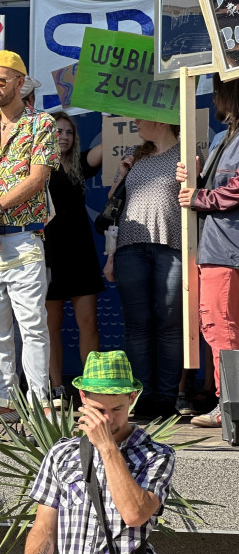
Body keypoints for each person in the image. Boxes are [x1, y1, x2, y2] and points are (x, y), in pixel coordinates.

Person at [20, 350, 175, 554]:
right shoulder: (61, 454)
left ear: (132, 397)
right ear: (82, 397)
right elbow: (44, 527)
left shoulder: (156, 455)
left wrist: (106, 448)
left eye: (117, 409)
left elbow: (135, 514)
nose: (107, 420)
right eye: (97, 410)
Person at [0, 51, 60, 423]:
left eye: (0, 81)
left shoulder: (43, 123)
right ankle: (6, 401)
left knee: (33, 326)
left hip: (24, 238)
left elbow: (38, 178)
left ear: (21, 82)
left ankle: (37, 403)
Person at [103, 120, 182, 419]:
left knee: (170, 326)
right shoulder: (134, 155)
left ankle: (166, 398)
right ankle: (141, 397)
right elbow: (114, 205)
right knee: (137, 327)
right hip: (129, 248)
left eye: (140, 117)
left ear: (159, 120)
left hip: (172, 246)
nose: (135, 122)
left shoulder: (186, 155)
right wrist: (123, 174)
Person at [177, 74, 239, 428]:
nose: (213, 101)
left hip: (226, 249)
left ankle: (229, 406)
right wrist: (195, 178)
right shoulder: (220, 139)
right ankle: (227, 402)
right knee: (222, 327)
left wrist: (202, 197)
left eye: (217, 94)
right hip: (216, 245)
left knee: (220, 327)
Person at [44, 112, 105, 408]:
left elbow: (103, 151)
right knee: (49, 326)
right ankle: (56, 389)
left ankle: (90, 389)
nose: (64, 136)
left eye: (68, 132)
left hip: (80, 253)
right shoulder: (36, 169)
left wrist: (109, 115)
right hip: (49, 253)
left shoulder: (79, 164)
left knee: (89, 322)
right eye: (58, 131)